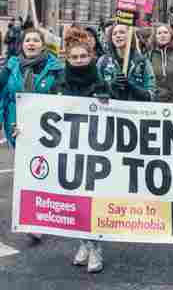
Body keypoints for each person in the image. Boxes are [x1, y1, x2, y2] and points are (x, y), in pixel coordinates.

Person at [53, 27, 111, 273]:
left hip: (96, 150)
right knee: (75, 198)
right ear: (67, 58)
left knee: (94, 199)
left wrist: (107, 98)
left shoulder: (101, 83)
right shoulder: (60, 82)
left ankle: (96, 247)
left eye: (83, 57)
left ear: (90, 57)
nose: (78, 61)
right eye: (74, 57)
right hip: (69, 148)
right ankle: (84, 243)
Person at [0, 26, 64, 245]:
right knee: (26, 176)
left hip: (47, 132)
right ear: (22, 44)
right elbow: (3, 92)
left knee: (42, 175)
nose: (31, 44)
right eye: (28, 40)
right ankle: (30, 218)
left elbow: (63, 97)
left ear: (42, 44)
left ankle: (38, 222)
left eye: (36, 40)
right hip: (17, 128)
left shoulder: (55, 68)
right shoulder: (11, 66)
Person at [96, 24, 156, 102]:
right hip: (110, 110)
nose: (118, 36)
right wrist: (111, 86)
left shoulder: (142, 61)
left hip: (135, 110)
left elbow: (151, 95)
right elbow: (97, 89)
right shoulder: (103, 61)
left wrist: (131, 87)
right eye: (114, 34)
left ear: (130, 36)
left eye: (122, 32)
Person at [148, 23, 173, 103]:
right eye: (159, 33)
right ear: (155, 37)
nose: (162, 35)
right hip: (156, 102)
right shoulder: (149, 55)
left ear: (171, 35)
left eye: (165, 32)